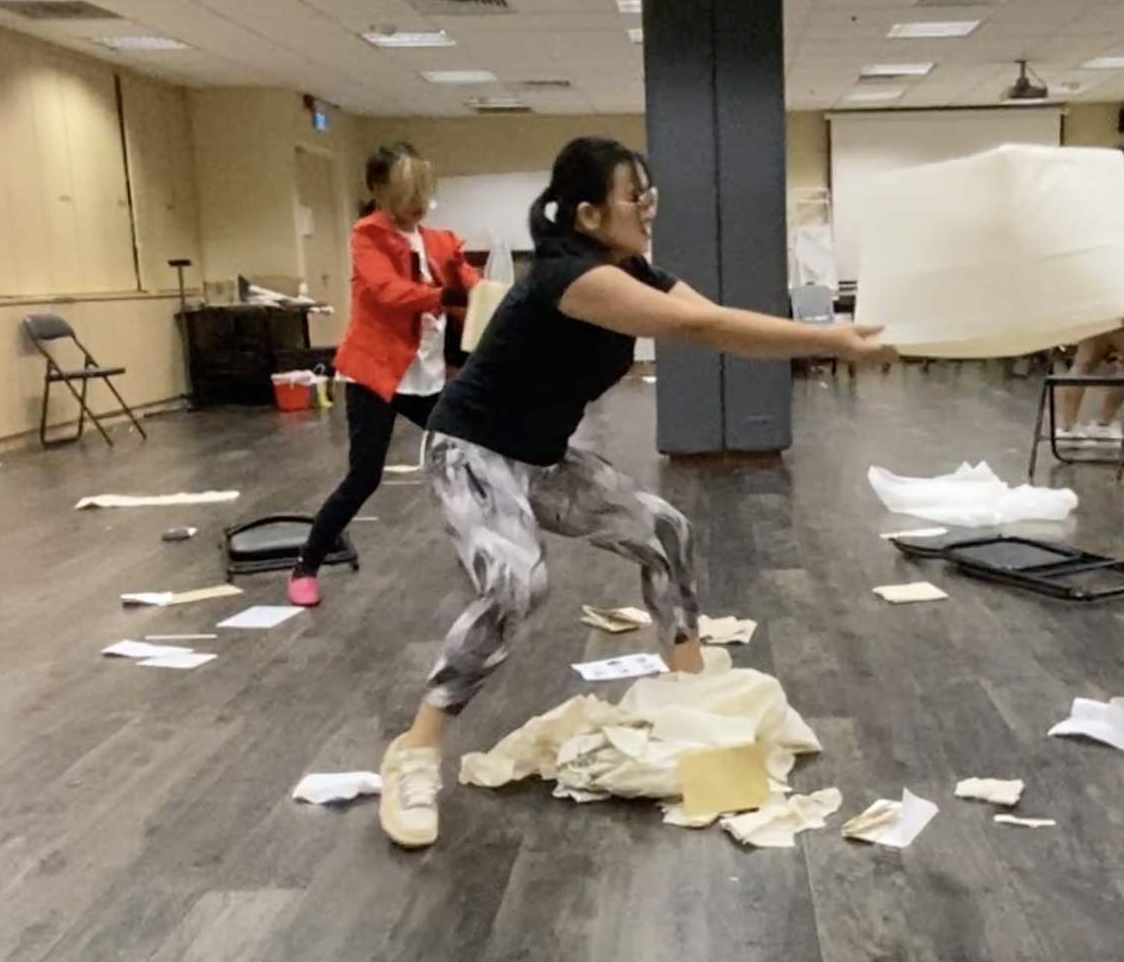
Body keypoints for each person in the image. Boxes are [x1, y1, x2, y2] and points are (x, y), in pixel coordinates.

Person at [378, 136, 896, 849]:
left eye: (650, 195)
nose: (648, 209)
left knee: (664, 530)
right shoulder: (571, 278)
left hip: (540, 457)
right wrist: (836, 341)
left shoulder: (635, 271)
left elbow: (717, 328)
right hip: (470, 451)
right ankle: (414, 751)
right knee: (515, 585)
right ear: (589, 214)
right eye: (634, 198)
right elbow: (697, 325)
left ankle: (688, 691)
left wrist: (834, 337)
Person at [289, 143, 478, 608]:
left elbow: (469, 285)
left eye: (421, 193)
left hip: (426, 374)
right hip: (375, 375)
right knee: (365, 476)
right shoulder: (368, 236)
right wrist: (444, 294)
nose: (415, 205)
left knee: (467, 455)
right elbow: (391, 293)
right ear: (377, 190)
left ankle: (479, 549)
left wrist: (491, 299)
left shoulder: (438, 240)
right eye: (404, 194)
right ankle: (306, 565)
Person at [1058, 151, 1124, 449]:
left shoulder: (1110, 210)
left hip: (1100, 293)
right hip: (1112, 296)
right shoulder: (1117, 213)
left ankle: (1070, 426)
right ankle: (1100, 424)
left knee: (1087, 360)